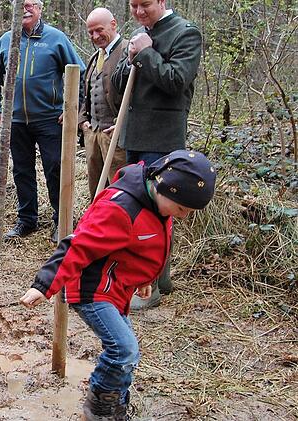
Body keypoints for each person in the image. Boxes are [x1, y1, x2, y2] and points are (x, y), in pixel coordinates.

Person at [19, 150, 216, 420]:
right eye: (182, 209)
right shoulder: (120, 209)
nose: (182, 216)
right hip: (92, 290)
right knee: (124, 349)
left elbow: (146, 248)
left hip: (117, 289)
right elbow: (78, 245)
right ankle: (99, 406)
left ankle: (116, 406)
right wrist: (43, 285)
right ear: (161, 186)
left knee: (128, 354)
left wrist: (147, 279)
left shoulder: (158, 206)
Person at [111, 0, 202, 307]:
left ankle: (150, 286)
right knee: (138, 207)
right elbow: (119, 85)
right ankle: (157, 277)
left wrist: (147, 53)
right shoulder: (139, 34)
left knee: (157, 210)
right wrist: (130, 58)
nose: (138, 12)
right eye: (133, 5)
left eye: (145, 4)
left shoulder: (186, 33)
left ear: (162, 1)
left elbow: (176, 81)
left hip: (162, 139)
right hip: (134, 135)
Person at [0, 0, 85, 242]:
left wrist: (73, 109)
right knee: (22, 171)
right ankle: (27, 220)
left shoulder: (56, 38)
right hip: (15, 120)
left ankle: (61, 221)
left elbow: (80, 73)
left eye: (31, 4)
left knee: (55, 168)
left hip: (51, 119)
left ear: (40, 8)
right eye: (21, 5)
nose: (26, 9)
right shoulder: (6, 40)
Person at [80, 8, 129, 197]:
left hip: (116, 136)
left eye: (99, 30)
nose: (95, 36)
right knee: (96, 188)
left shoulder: (128, 50)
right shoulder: (95, 57)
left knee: (119, 188)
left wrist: (121, 124)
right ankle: (96, 225)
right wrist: (83, 122)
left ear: (113, 24)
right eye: (91, 32)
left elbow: (137, 94)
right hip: (93, 133)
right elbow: (87, 91)